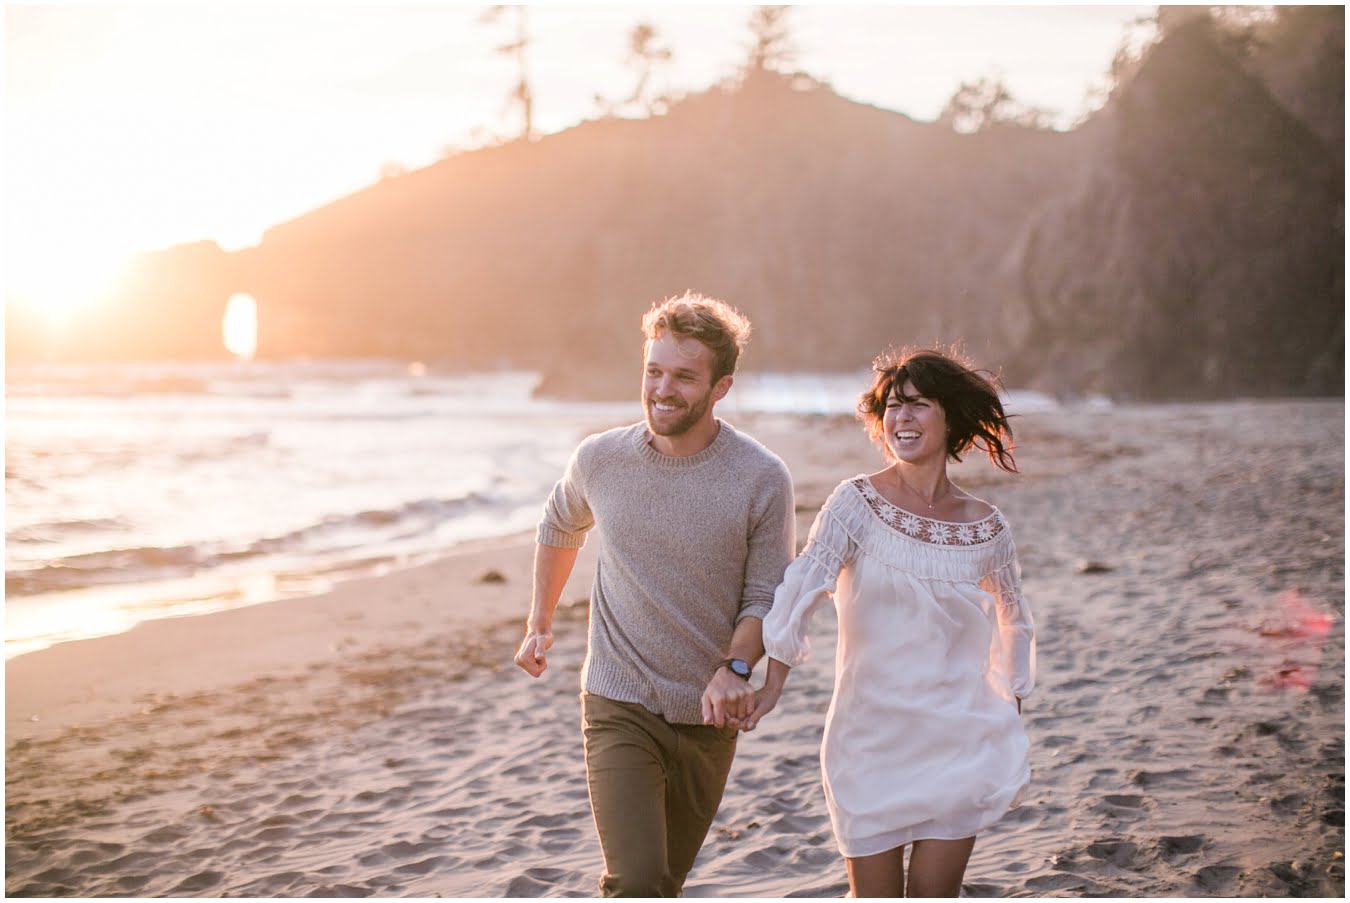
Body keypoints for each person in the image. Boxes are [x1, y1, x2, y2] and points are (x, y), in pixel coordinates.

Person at [513, 291, 795, 897]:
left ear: (721, 387)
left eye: (684, 377)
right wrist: (539, 622)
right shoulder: (600, 459)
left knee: (663, 882)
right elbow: (560, 524)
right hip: (617, 701)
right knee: (636, 881)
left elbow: (765, 595)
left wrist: (735, 667)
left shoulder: (761, 477)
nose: (662, 390)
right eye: (654, 370)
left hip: (709, 714)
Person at [747, 347, 1035, 898]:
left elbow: (1014, 619)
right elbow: (802, 588)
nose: (901, 417)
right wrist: (771, 680)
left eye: (918, 404)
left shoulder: (985, 527)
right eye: (892, 406)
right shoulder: (855, 504)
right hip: (868, 739)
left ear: (949, 416)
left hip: (957, 738)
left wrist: (1010, 702)